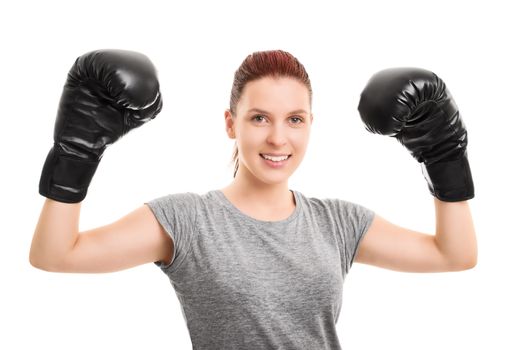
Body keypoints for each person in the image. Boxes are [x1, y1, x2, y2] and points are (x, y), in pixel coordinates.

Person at [30, 49, 478, 350]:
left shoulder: (338, 223)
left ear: (310, 125)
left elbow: (454, 254)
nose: (278, 138)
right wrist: (77, 151)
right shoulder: (188, 220)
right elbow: (55, 254)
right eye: (260, 117)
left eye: (295, 119)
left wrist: (444, 156)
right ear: (231, 123)